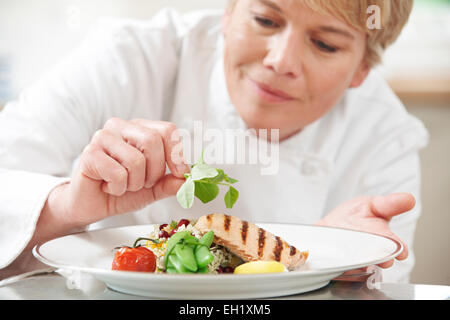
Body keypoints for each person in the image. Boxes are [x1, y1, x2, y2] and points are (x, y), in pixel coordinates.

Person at [0, 0, 428, 283]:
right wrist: (68, 206)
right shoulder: (129, 58)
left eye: (324, 43)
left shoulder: (383, 134)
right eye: (265, 20)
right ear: (228, 12)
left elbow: (387, 279)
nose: (280, 61)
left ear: (361, 70)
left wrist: (342, 262)